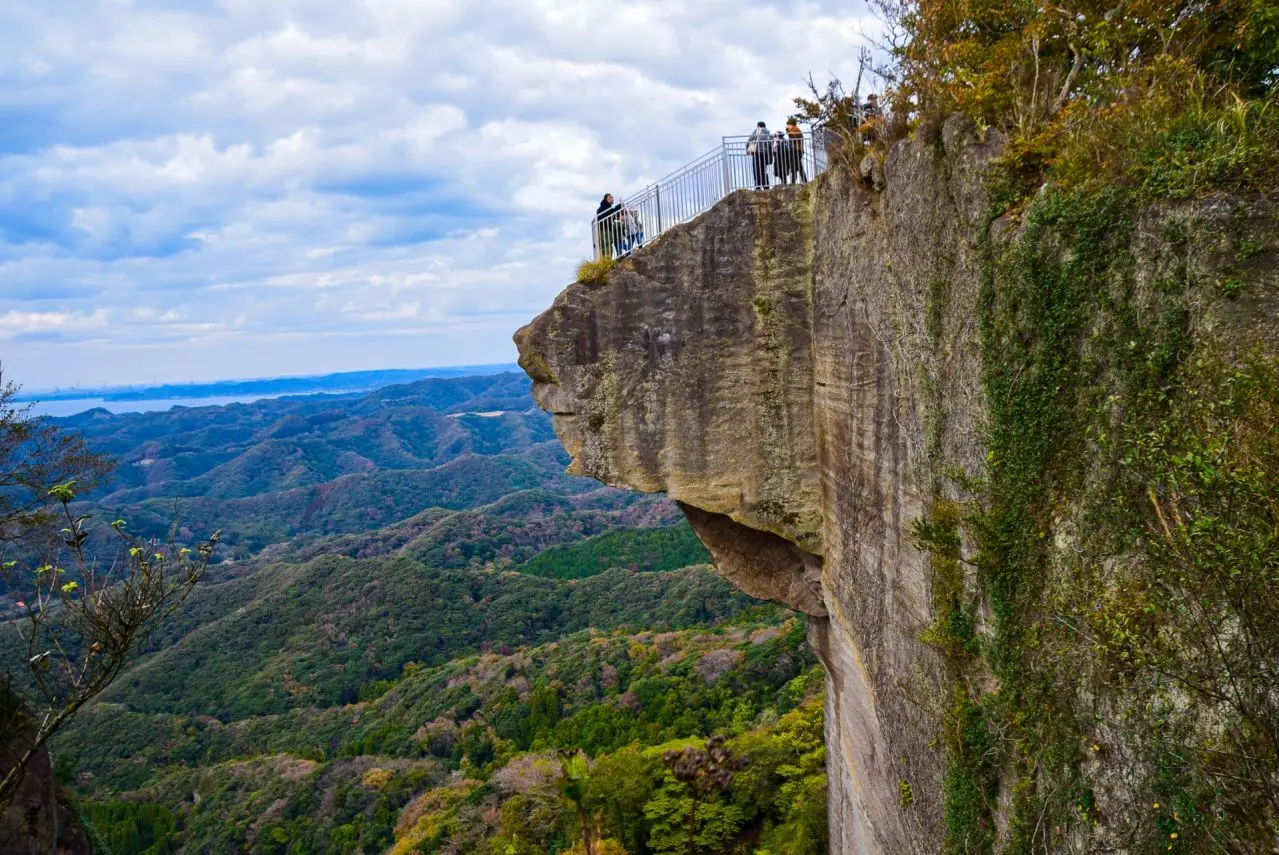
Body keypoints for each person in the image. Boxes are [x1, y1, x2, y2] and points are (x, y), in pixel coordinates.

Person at [595, 193, 623, 258]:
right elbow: (611, 212)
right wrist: (620, 206)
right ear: (608, 198)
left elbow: (611, 214)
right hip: (605, 230)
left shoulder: (604, 206)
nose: (613, 199)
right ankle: (608, 261)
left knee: (605, 246)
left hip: (604, 229)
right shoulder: (605, 206)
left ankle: (605, 262)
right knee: (607, 246)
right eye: (612, 198)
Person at [746, 121, 772, 189]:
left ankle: (758, 186)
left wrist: (747, 148)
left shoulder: (757, 131)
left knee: (756, 170)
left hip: (757, 153)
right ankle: (766, 185)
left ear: (758, 126)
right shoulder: (768, 133)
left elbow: (750, 140)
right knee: (763, 170)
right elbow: (770, 145)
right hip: (765, 154)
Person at [785, 118, 807, 183]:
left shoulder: (795, 129)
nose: (787, 126)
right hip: (795, 150)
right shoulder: (794, 129)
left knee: (798, 166)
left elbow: (793, 137)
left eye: (788, 124)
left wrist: (787, 130)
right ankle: (794, 181)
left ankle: (803, 180)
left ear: (791, 124)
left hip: (797, 150)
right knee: (794, 166)